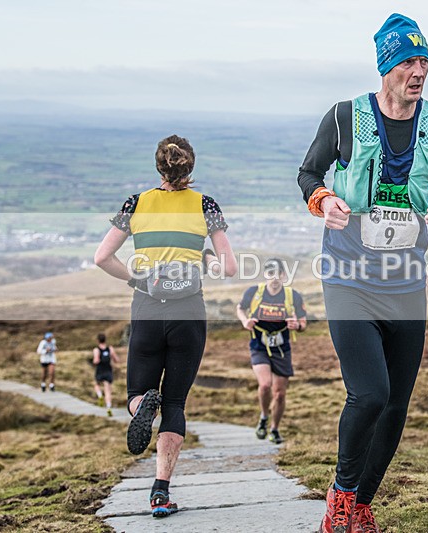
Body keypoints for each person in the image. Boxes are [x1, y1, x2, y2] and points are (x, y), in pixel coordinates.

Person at [297, 13, 428, 533]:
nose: (418, 72)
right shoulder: (345, 117)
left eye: (425, 62)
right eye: (409, 62)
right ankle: (341, 495)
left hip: (405, 283)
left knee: (396, 404)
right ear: (387, 66)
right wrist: (322, 199)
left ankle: (364, 503)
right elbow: (308, 173)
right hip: (348, 276)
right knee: (369, 392)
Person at [94, 135, 238, 518]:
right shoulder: (206, 205)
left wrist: (135, 279)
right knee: (175, 402)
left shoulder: (136, 203)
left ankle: (142, 405)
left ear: (160, 167)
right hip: (188, 312)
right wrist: (205, 257)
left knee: (137, 392)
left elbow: (102, 257)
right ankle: (161, 492)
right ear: (190, 168)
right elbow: (230, 267)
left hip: (147, 308)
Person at [236, 258, 307, 445]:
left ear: (284, 276)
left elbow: (303, 322)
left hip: (282, 348)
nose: (274, 278)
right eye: (270, 274)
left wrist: (297, 325)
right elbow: (240, 309)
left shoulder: (293, 296)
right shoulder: (254, 292)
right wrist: (245, 322)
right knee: (266, 384)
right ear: (265, 275)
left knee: (280, 393)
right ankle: (264, 416)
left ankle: (274, 429)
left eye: (278, 274)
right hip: (259, 344)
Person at [92, 333, 121, 416]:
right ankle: (108, 407)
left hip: (100, 370)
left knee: (96, 384)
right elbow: (116, 359)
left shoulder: (96, 349)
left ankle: (100, 395)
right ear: (105, 340)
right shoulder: (110, 348)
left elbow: (96, 360)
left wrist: (94, 362)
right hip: (108, 370)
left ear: (98, 340)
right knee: (108, 390)